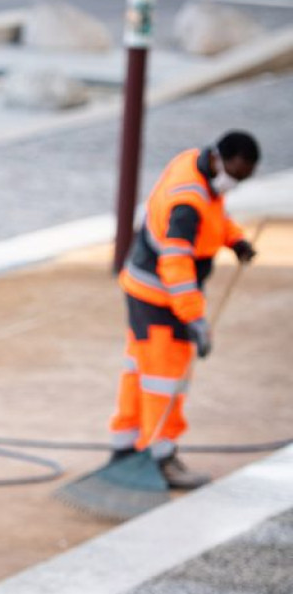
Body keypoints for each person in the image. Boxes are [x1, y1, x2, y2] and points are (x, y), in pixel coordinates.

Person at [110, 130, 260, 488]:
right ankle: (161, 456)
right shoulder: (187, 204)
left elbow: (215, 215)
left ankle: (125, 447)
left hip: (145, 290)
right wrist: (195, 318)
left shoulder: (195, 167)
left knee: (140, 369)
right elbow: (176, 263)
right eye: (236, 174)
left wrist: (234, 239)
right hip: (161, 297)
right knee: (165, 378)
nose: (236, 182)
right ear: (221, 160)